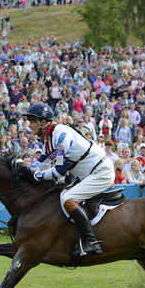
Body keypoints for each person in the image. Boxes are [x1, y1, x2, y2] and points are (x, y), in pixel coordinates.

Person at [23, 103, 115, 256]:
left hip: (100, 172)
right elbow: (42, 163)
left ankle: (91, 241)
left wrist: (37, 175)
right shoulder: (49, 138)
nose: (29, 125)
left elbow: (60, 170)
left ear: (43, 122)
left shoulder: (60, 135)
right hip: (88, 173)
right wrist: (27, 171)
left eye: (32, 121)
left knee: (68, 198)